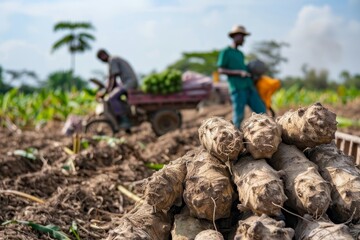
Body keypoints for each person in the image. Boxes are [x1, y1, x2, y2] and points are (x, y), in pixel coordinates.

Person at [217, 25, 266, 128]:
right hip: (237, 88)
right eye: (242, 36)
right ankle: (235, 138)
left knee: (262, 111)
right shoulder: (226, 52)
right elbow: (220, 70)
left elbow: (244, 70)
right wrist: (239, 72)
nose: (244, 39)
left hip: (249, 86)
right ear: (235, 36)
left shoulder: (240, 54)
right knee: (239, 116)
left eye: (244, 37)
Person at [96, 49, 139, 129]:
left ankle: (124, 120)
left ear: (103, 55)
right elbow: (112, 80)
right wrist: (108, 90)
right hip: (127, 83)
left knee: (112, 98)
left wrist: (107, 92)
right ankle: (126, 114)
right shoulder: (114, 60)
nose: (102, 61)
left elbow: (113, 78)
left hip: (129, 83)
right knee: (116, 96)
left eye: (100, 59)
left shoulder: (112, 60)